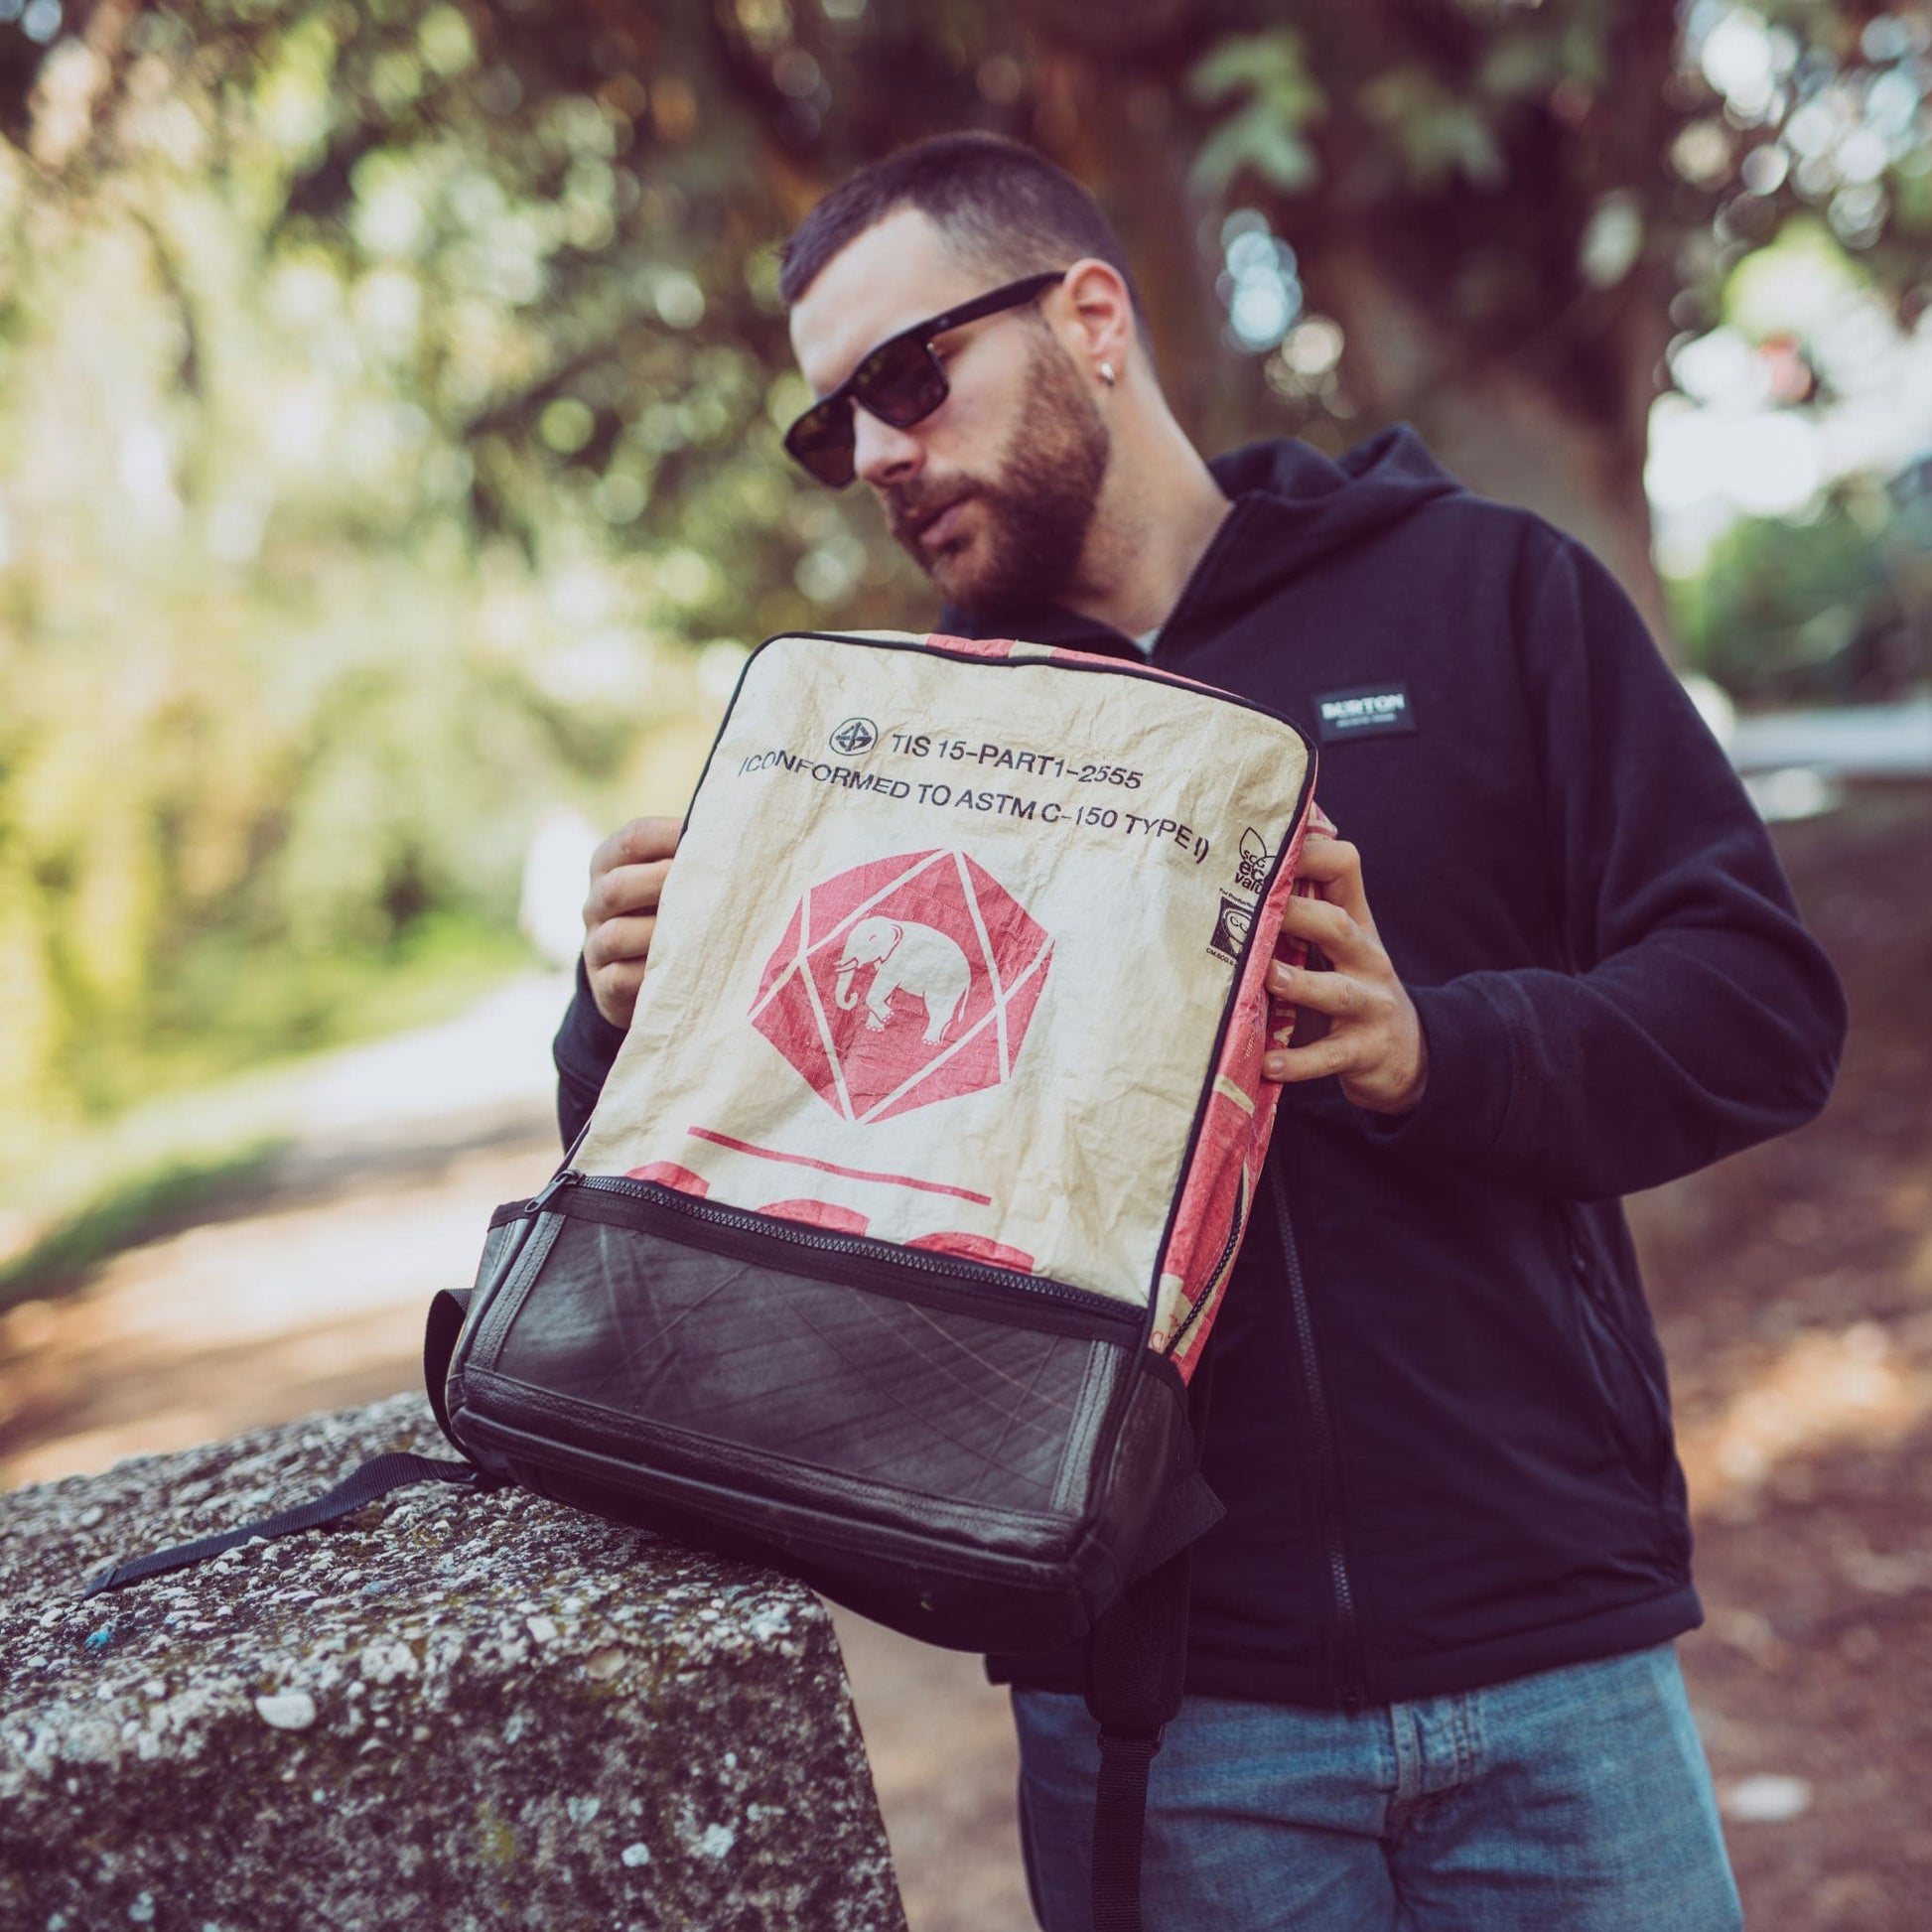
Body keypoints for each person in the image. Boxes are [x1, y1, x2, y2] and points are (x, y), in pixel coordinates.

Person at [553, 133, 1846, 1931]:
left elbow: (1758, 1009)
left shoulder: (1488, 595)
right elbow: (755, 1222)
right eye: (827, 424)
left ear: (1092, 314)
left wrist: (1431, 1052)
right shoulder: (909, 749)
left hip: (1554, 1658)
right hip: (1162, 1726)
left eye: (906, 377)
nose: (872, 454)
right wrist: (622, 1020)